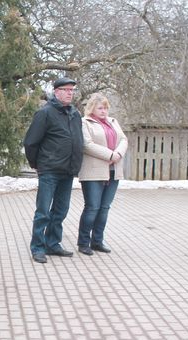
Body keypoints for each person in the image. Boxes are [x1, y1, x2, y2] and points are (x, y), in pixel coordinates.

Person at [24, 77, 84, 264]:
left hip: (68, 170)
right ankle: (38, 247)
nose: (69, 93)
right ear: (56, 92)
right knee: (43, 211)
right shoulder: (45, 113)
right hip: (49, 170)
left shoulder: (75, 114)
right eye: (66, 89)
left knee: (60, 210)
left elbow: (78, 141)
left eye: (72, 90)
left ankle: (52, 243)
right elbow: (31, 142)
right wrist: (37, 164)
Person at [76, 93, 128, 255]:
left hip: (113, 171)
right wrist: (110, 155)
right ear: (92, 108)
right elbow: (86, 145)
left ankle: (97, 241)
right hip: (93, 172)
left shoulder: (113, 122)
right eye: (100, 108)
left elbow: (123, 139)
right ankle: (83, 242)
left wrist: (118, 154)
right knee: (92, 208)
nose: (104, 111)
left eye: (105, 108)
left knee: (104, 208)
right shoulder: (85, 123)